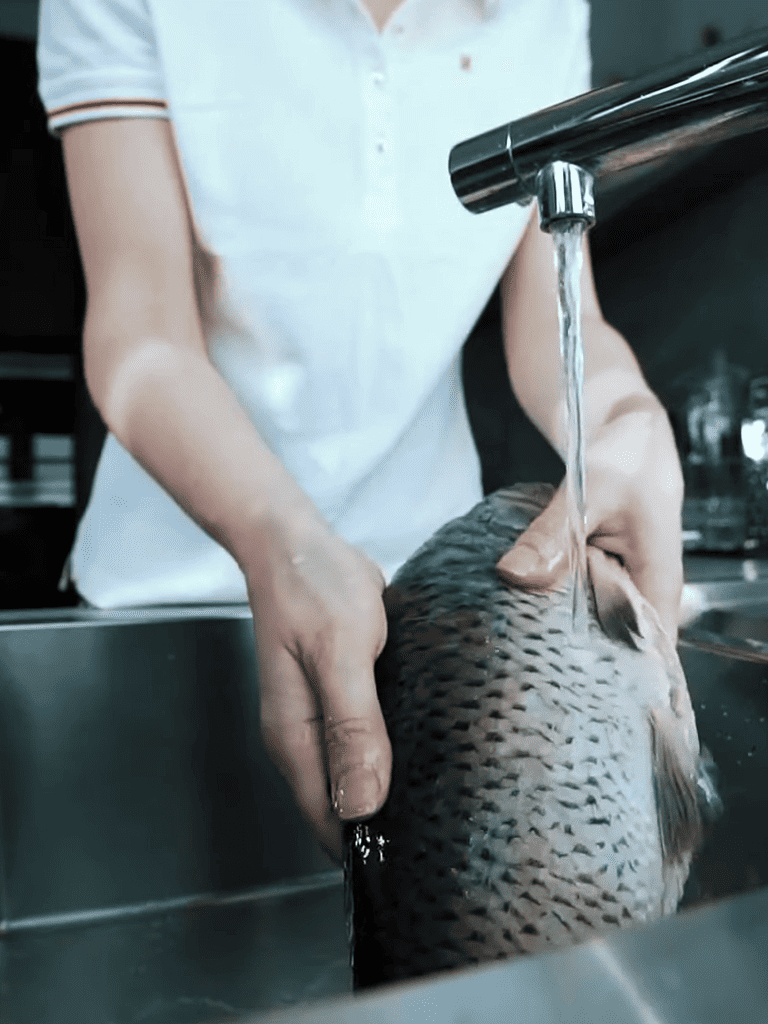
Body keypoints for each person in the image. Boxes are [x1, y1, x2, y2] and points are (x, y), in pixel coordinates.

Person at [37, 0, 684, 861]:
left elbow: (558, 319)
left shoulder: (545, 13)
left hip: (442, 621)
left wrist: (626, 416)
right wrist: (277, 538)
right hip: (165, 609)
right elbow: (142, 330)